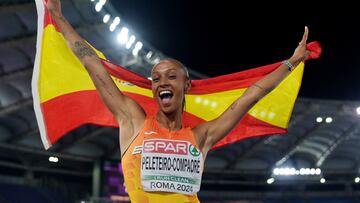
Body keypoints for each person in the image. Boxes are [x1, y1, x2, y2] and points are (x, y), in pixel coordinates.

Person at [47, 0, 310, 202]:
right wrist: (58, 17)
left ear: (186, 86)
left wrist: (292, 62)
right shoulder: (133, 121)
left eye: (171, 77)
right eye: (156, 78)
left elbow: (251, 95)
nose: (162, 82)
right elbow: (93, 65)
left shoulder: (201, 136)